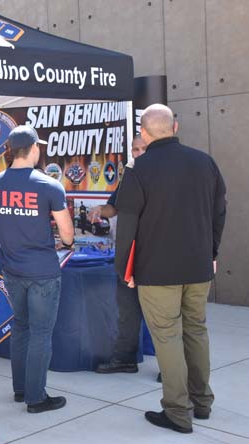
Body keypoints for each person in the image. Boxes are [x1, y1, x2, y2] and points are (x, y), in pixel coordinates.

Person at [115, 104, 226, 434]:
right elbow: (220, 212)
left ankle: (178, 411)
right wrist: (212, 252)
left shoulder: (139, 169)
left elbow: (128, 226)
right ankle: (202, 402)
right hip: (198, 265)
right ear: (175, 127)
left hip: (157, 271)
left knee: (168, 337)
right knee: (196, 330)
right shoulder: (204, 162)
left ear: (145, 134)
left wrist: (125, 270)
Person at [0, 125, 74, 413]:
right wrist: (60, 239)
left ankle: (21, 388)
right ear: (34, 149)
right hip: (43, 272)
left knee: (21, 328)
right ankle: (36, 397)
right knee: (41, 333)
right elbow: (69, 235)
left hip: (13, 269)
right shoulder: (49, 185)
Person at [90, 134, 148, 374]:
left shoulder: (164, 177)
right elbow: (115, 206)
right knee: (127, 310)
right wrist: (100, 210)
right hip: (128, 256)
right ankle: (125, 359)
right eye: (134, 149)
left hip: (155, 256)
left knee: (163, 316)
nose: (137, 153)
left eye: (142, 148)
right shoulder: (129, 176)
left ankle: (172, 367)